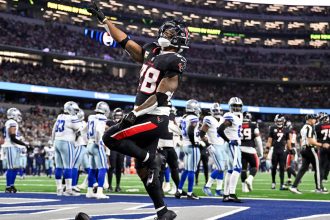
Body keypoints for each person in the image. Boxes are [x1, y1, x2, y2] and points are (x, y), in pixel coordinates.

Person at [88, 2, 189, 219]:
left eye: (171, 32)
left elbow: (160, 95)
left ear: (178, 39)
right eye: (167, 30)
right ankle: (162, 211)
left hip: (154, 117)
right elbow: (126, 42)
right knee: (143, 172)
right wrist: (105, 21)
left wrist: (135, 113)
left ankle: (148, 158)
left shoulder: (176, 60)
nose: (166, 33)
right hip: (147, 115)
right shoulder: (153, 50)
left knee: (110, 137)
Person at [289, 114, 329, 194]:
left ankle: (294, 186)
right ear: (310, 119)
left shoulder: (304, 127)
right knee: (318, 169)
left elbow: (302, 140)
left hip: (304, 149)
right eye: (314, 119)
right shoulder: (309, 127)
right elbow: (311, 141)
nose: (315, 120)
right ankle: (319, 188)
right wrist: (322, 145)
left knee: (303, 169)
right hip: (310, 149)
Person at [52, 101, 81, 196]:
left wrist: (53, 142)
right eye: (75, 110)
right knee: (68, 166)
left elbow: (53, 130)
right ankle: (68, 190)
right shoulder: (72, 117)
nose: (76, 112)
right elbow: (78, 129)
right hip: (66, 142)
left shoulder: (60, 116)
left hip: (57, 141)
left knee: (59, 166)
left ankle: (59, 189)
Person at [217, 97, 244, 203]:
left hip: (231, 144)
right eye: (234, 106)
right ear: (230, 106)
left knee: (230, 170)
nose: (237, 108)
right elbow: (220, 130)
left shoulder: (238, 116)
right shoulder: (230, 116)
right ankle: (232, 193)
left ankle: (226, 194)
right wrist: (229, 140)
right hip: (232, 145)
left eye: (239, 106)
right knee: (237, 168)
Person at [175, 100, 201, 200]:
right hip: (191, 145)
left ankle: (179, 190)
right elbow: (190, 130)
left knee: (186, 169)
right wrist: (194, 142)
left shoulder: (184, 118)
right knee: (192, 170)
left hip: (185, 145)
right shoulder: (193, 118)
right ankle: (190, 193)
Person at [201, 102, 226, 197]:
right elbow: (202, 134)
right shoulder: (209, 119)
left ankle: (219, 189)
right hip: (214, 146)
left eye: (219, 110)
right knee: (221, 167)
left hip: (222, 145)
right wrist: (208, 145)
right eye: (215, 110)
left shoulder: (223, 119)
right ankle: (207, 186)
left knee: (221, 168)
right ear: (211, 111)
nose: (218, 112)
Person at [86, 101, 110, 199]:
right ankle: (100, 192)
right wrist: (99, 142)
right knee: (102, 168)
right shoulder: (102, 118)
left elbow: (84, 129)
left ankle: (89, 191)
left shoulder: (91, 117)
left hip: (89, 144)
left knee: (92, 169)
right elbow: (99, 131)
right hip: (96, 145)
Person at [3, 108, 29, 193]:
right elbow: (13, 137)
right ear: (13, 115)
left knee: (15, 168)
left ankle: (12, 186)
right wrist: (24, 144)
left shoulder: (11, 122)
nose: (19, 117)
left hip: (14, 146)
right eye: (18, 115)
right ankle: (8, 187)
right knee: (11, 167)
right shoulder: (12, 122)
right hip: (11, 146)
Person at [158, 103, 181, 196]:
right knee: (161, 170)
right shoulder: (160, 117)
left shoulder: (168, 119)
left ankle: (178, 189)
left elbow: (179, 131)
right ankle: (160, 191)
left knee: (174, 168)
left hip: (169, 146)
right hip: (161, 147)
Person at [266, 114, 292, 190]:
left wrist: (290, 150)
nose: (279, 122)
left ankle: (282, 184)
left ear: (283, 121)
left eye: (280, 121)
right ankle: (273, 182)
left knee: (282, 168)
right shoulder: (272, 128)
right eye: (278, 121)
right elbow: (269, 140)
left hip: (282, 151)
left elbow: (288, 141)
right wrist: (267, 149)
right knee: (273, 167)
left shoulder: (286, 129)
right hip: (275, 150)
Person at [240, 112, 263, 192]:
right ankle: (249, 179)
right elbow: (258, 140)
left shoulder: (238, 124)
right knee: (255, 166)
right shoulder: (253, 125)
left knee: (243, 169)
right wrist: (260, 152)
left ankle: (244, 189)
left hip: (240, 149)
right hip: (250, 149)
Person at [107, 108, 125, 193]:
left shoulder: (124, 123)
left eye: (120, 116)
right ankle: (109, 186)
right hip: (112, 147)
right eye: (117, 115)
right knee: (112, 167)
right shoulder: (109, 123)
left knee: (119, 168)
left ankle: (118, 186)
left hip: (121, 148)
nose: (118, 117)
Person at [72, 109, 90, 193]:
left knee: (74, 166)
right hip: (83, 145)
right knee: (88, 167)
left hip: (80, 145)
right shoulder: (84, 123)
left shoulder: (80, 123)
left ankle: (73, 185)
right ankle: (94, 184)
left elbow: (77, 135)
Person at [315, 112, 330, 187]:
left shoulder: (318, 126)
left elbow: (316, 138)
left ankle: (320, 183)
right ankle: (324, 177)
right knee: (328, 164)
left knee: (321, 166)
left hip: (322, 146)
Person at [285, 120, 297, 186]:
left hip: (290, 148)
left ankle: (296, 178)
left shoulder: (289, 132)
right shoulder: (294, 131)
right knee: (289, 165)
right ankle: (289, 179)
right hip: (293, 148)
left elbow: (289, 140)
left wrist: (288, 148)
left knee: (288, 166)